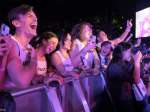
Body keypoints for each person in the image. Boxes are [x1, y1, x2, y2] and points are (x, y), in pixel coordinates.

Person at [3, 4, 38, 89]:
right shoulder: (10, 43)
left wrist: (44, 78)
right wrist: (34, 60)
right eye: (30, 16)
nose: (36, 19)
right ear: (16, 23)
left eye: (35, 16)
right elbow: (22, 82)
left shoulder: (30, 49)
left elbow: (30, 77)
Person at [70, 22, 100, 107]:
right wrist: (85, 49)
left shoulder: (91, 44)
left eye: (90, 30)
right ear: (80, 32)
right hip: (77, 79)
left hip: (87, 78)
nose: (89, 32)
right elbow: (72, 63)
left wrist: (96, 68)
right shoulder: (76, 42)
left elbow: (97, 60)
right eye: (86, 30)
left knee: (89, 103)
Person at [107, 42, 143, 112]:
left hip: (127, 98)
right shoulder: (114, 66)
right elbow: (136, 80)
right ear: (121, 52)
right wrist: (137, 63)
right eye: (129, 51)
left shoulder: (122, 63)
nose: (130, 53)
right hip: (122, 101)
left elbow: (136, 72)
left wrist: (135, 61)